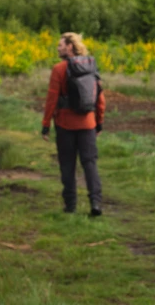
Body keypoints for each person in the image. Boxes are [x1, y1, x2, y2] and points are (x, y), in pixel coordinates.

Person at [41, 32, 106, 216]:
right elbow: (100, 99)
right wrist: (99, 121)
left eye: (61, 45)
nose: (58, 48)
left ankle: (70, 205)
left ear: (70, 46)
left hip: (65, 125)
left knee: (67, 165)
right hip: (88, 124)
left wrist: (46, 125)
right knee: (90, 163)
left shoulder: (59, 69)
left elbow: (52, 99)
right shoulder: (90, 66)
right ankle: (96, 203)